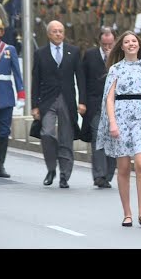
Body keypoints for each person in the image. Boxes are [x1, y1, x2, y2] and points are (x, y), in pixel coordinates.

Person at [96, 30, 141, 227]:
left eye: (134, 41)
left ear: (139, 45)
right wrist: (112, 122)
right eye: (127, 41)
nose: (131, 44)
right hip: (121, 116)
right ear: (121, 46)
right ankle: (127, 213)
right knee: (122, 167)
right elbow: (109, 98)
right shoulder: (115, 69)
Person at [31, 20, 86, 188]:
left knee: (66, 138)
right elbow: (36, 80)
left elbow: (81, 78)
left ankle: (64, 175)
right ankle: (51, 168)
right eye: (54, 31)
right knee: (47, 133)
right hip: (47, 100)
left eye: (60, 31)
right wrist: (34, 105)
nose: (58, 34)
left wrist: (82, 101)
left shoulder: (73, 51)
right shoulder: (40, 53)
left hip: (67, 100)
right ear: (48, 34)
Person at [79, 27, 117, 188]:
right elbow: (82, 80)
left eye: (110, 43)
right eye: (105, 44)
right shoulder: (90, 55)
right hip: (95, 105)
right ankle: (99, 175)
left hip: (115, 106)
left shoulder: (119, 57)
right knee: (98, 139)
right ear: (100, 42)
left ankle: (108, 174)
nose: (108, 46)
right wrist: (82, 102)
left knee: (113, 141)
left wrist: (111, 61)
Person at [0, 2, 25, 178]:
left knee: (4, 132)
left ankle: (0, 166)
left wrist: (21, 94)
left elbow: (17, 75)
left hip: (6, 96)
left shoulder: (9, 50)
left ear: (3, 32)